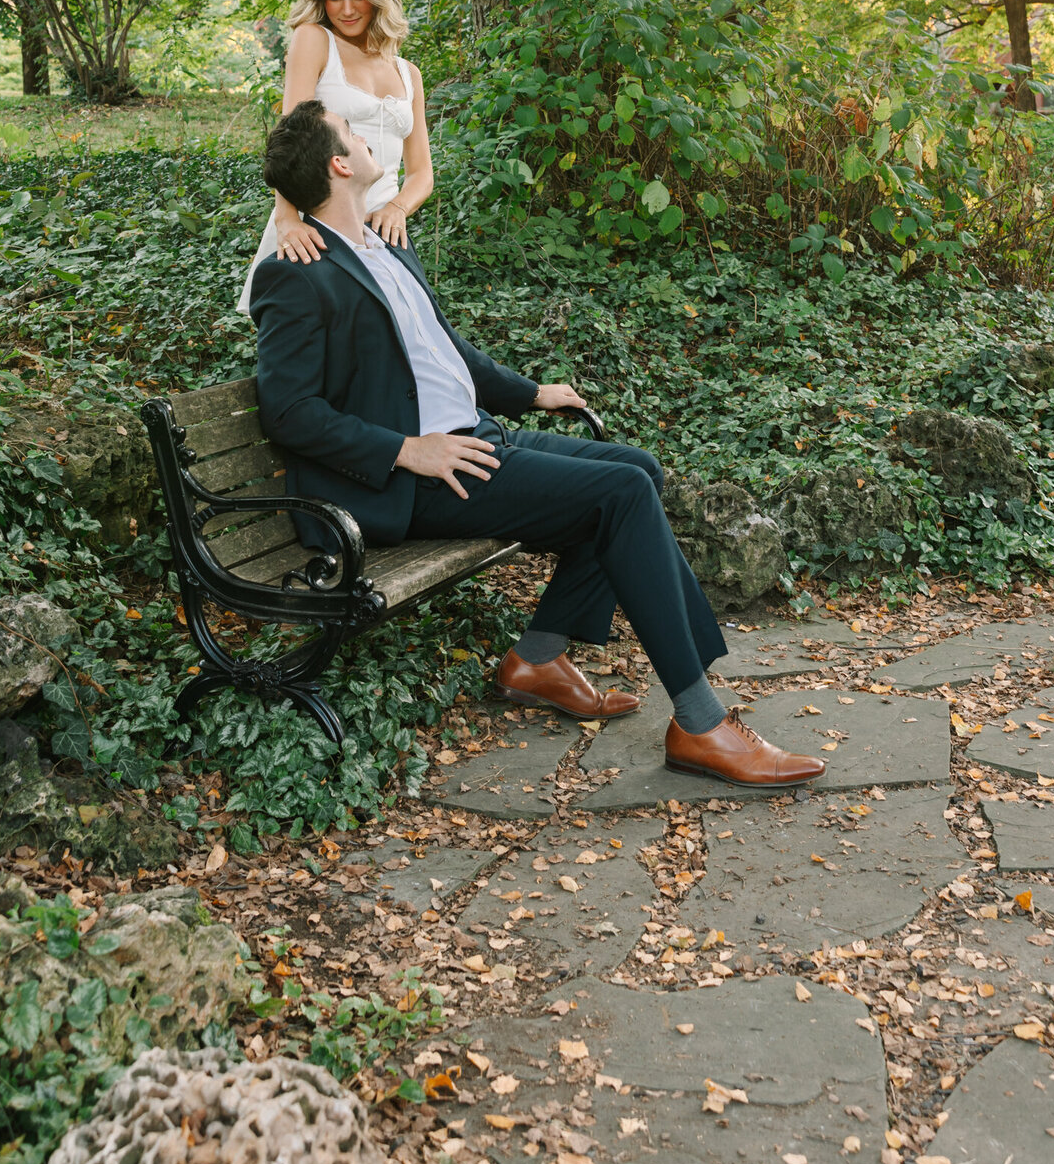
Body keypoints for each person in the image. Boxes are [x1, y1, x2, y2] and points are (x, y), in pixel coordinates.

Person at [248, 98, 824, 789]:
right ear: (341, 163)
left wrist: (530, 393)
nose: (371, 138)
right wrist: (406, 449)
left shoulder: (386, 240)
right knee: (620, 492)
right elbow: (287, 409)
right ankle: (701, 722)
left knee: (640, 467)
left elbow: (442, 349)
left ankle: (538, 658)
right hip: (414, 477)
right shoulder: (296, 271)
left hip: (475, 439)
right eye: (353, 133)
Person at [237, 0, 433, 315]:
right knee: (312, 347)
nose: (346, 9)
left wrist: (397, 209)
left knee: (402, 346)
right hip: (318, 230)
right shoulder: (313, 41)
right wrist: (288, 220)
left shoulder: (410, 73)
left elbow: (421, 173)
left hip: (385, 235)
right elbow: (290, 143)